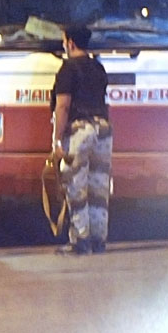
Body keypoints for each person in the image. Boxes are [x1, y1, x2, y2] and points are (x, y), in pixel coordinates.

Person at [52, 25, 112, 255]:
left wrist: (57, 141)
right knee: (99, 187)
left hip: (80, 130)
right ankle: (99, 239)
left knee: (76, 187)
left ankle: (80, 240)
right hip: (103, 130)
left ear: (70, 43)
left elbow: (63, 105)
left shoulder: (67, 69)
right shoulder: (98, 67)